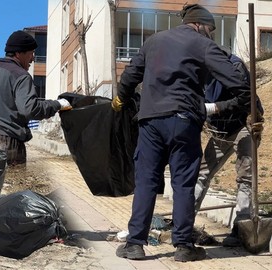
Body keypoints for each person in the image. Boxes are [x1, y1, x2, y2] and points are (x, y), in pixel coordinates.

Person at [111, 4, 250, 262]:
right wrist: (236, 103)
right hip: (184, 121)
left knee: (147, 182)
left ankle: (134, 244)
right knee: (183, 183)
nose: (211, 34)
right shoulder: (202, 45)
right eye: (210, 29)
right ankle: (184, 247)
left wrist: (121, 98)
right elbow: (238, 81)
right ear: (199, 24)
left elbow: (130, 74)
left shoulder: (154, 41)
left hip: (150, 122)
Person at [194, 49, 264, 247]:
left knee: (245, 178)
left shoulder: (233, 67)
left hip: (244, 124)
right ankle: (184, 223)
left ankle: (241, 229)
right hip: (220, 129)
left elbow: (243, 97)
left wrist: (213, 108)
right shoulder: (198, 68)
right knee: (201, 173)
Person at [0, 30, 71, 165]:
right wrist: (58, 104)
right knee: (13, 184)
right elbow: (30, 109)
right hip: (8, 144)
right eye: (31, 53)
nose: (33, 58)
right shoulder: (20, 75)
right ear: (18, 53)